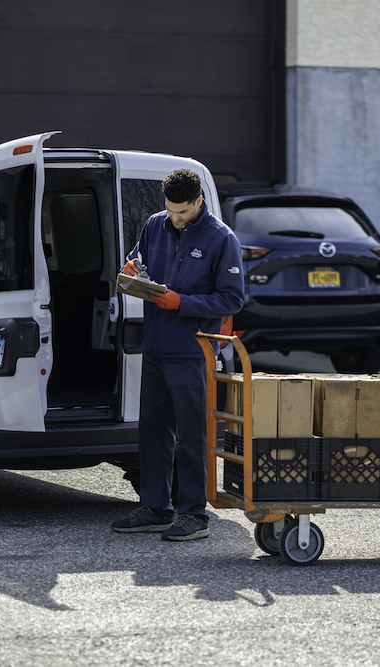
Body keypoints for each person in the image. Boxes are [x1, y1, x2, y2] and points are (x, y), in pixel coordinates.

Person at [111, 168, 244, 541]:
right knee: (152, 430)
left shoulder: (222, 239)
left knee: (192, 434)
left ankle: (193, 515)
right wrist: (132, 269)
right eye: (170, 210)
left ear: (199, 202)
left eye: (182, 212)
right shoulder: (155, 225)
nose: (174, 217)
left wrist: (180, 302)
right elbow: (137, 259)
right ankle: (155, 507)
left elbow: (232, 298)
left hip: (192, 349)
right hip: (155, 345)